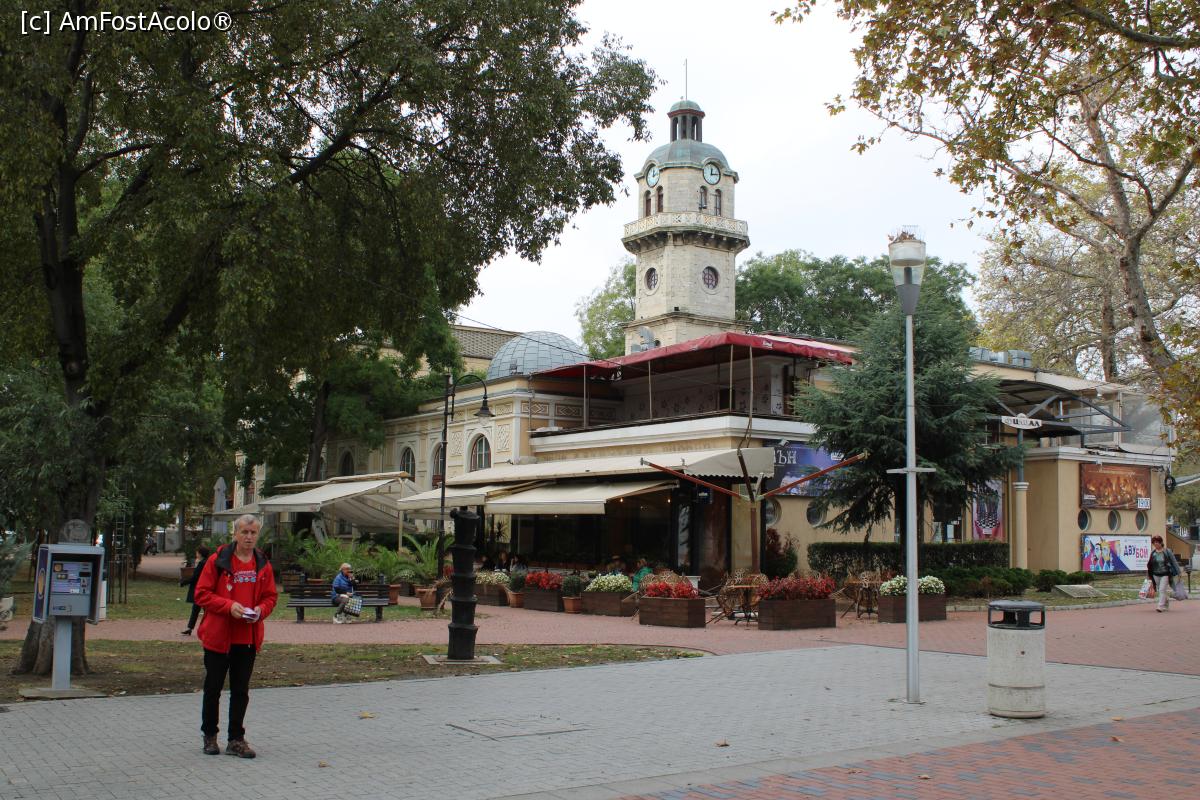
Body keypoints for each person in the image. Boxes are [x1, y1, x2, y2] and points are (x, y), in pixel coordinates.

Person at [194, 514, 277, 758]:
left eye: (253, 533)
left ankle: (236, 739)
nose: (249, 537)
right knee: (213, 688)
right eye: (244, 532)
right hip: (219, 637)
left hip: (247, 637)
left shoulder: (262, 563)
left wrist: (260, 610)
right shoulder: (218, 561)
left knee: (241, 691)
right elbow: (201, 594)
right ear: (235, 534)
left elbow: (271, 596)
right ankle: (210, 735)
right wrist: (228, 606)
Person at [181, 545, 213, 636]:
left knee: (204, 610)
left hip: (201, 589)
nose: (196, 554)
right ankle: (190, 628)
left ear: (200, 553)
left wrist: (183, 582)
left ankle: (209, 628)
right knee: (196, 608)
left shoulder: (202, 563)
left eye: (197, 552)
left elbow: (195, 577)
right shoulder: (206, 562)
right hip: (204, 589)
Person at [1146, 535, 1181, 612]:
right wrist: (1148, 575)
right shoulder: (1153, 553)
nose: (1155, 544)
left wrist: (1179, 572)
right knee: (1161, 590)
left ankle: (1160, 606)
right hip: (1155, 574)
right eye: (1154, 542)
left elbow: (1174, 562)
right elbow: (1150, 565)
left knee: (1162, 590)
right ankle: (1166, 601)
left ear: (1161, 543)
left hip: (1165, 574)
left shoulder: (1167, 551)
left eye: (1157, 542)